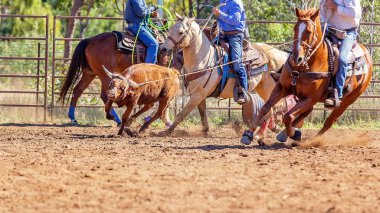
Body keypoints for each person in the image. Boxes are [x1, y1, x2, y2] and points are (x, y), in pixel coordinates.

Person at [321, 0, 362, 106]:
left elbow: (354, 13)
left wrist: (335, 7)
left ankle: (337, 92)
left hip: (348, 32)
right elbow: (322, 12)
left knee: (342, 58)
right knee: (309, 45)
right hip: (330, 29)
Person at [212, 0, 248, 104]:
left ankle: (243, 91)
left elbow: (235, 20)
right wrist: (216, 15)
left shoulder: (236, 3)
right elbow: (222, 20)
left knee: (237, 63)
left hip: (235, 36)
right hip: (223, 34)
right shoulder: (223, 2)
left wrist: (220, 14)